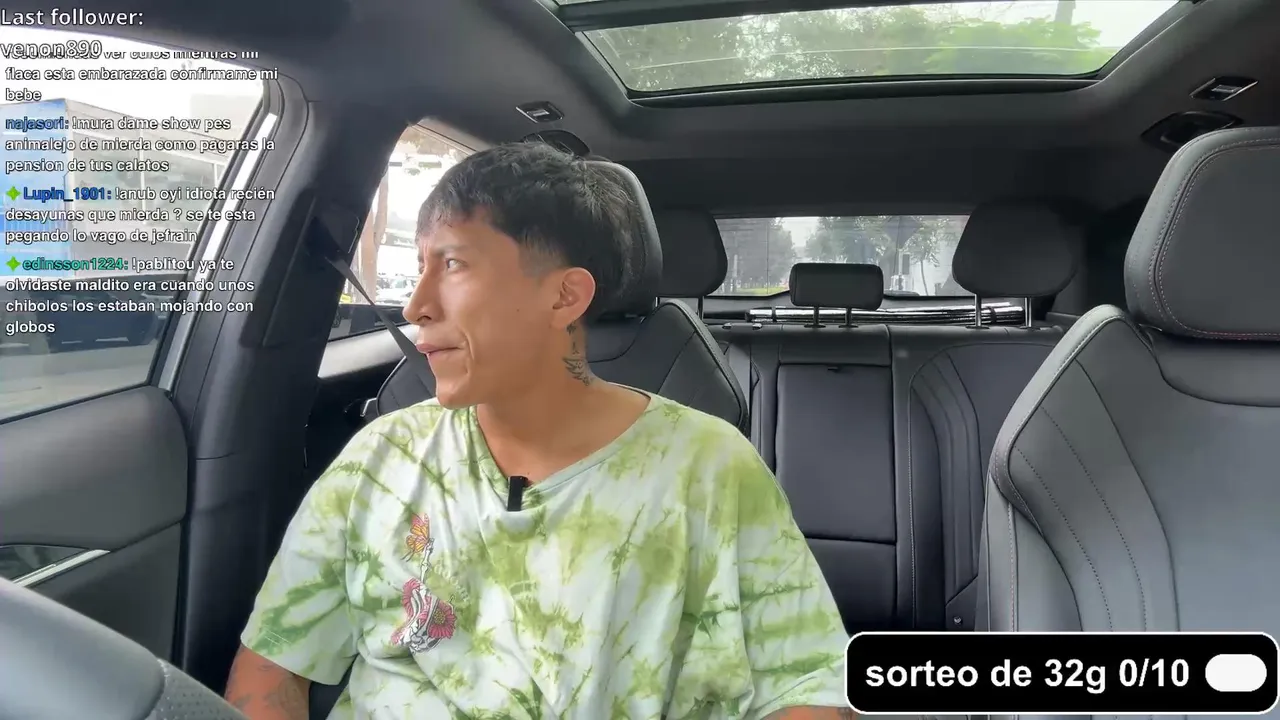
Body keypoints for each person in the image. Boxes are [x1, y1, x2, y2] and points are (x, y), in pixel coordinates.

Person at [224, 142, 853, 719]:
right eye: (420, 267)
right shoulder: (380, 458)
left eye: (453, 264)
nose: (415, 305)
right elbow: (273, 668)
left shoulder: (709, 467)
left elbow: (808, 687)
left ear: (564, 298)